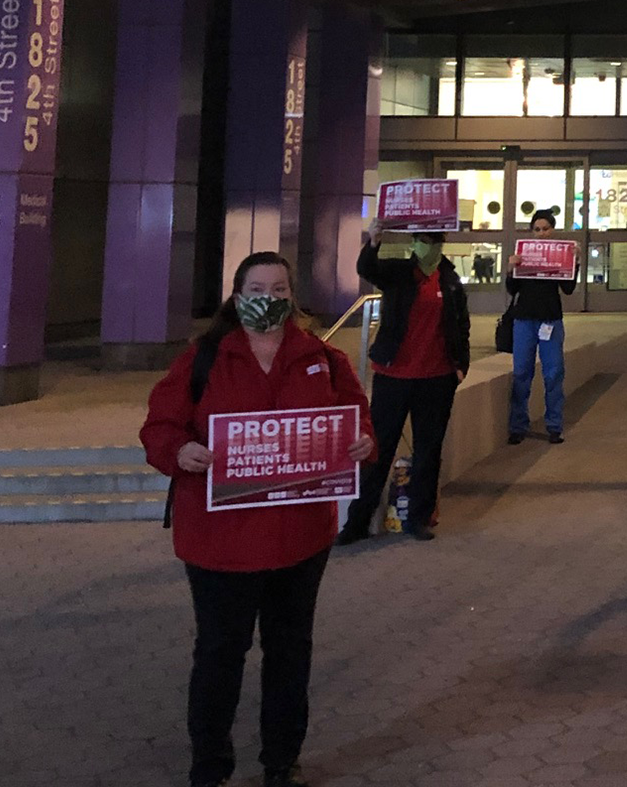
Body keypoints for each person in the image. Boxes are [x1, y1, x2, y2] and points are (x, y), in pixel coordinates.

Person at [141, 252, 376, 787]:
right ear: (237, 294)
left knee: (290, 652)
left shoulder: (321, 357)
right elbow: (159, 427)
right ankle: (210, 765)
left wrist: (364, 440)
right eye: (256, 287)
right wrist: (180, 451)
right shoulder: (202, 358)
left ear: (292, 296)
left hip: (300, 538)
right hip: (220, 542)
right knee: (221, 653)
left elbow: (354, 412)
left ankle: (280, 761)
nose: (267, 296)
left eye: (278, 287)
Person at [341, 226, 471, 544]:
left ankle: (419, 518)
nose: (423, 246)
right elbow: (367, 269)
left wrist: (460, 366)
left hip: (436, 380)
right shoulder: (399, 273)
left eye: (430, 241)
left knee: (429, 451)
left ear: (442, 244)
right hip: (393, 377)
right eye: (419, 240)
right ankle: (356, 523)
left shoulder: (451, 280)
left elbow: (461, 324)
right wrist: (374, 242)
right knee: (378, 450)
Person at [504, 209, 579, 445]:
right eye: (537, 229)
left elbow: (568, 289)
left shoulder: (559, 256)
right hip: (524, 320)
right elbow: (512, 289)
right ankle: (518, 426)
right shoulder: (523, 255)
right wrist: (510, 268)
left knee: (554, 373)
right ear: (531, 231)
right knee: (521, 373)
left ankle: (554, 426)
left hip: (550, 321)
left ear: (553, 230)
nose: (541, 233)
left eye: (545, 228)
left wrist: (574, 263)